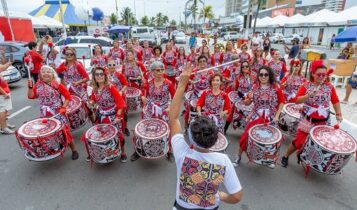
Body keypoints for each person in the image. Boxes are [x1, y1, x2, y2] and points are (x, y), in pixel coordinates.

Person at [169, 64, 243, 210]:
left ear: (190, 136)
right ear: (216, 140)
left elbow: (173, 118)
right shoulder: (224, 160)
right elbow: (236, 196)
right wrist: (220, 196)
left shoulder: (181, 152)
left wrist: (182, 84)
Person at [281, 61, 342, 167]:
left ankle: (310, 159)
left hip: (323, 121)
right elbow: (296, 100)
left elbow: (335, 101)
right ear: (313, 73)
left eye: (324, 74)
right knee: (299, 141)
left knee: (319, 143)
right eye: (319, 74)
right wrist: (308, 96)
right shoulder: (306, 86)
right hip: (307, 120)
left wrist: (338, 113)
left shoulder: (329, 87)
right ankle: (285, 156)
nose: (322, 77)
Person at [234, 66, 285, 168]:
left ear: (269, 75)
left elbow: (281, 102)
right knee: (246, 137)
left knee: (271, 141)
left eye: (266, 74)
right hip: (256, 116)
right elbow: (247, 103)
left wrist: (277, 115)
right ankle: (238, 156)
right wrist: (249, 99)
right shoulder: (254, 87)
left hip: (271, 117)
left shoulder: (276, 88)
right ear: (258, 76)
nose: (263, 76)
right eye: (261, 74)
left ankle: (270, 160)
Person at [27, 65, 79, 160]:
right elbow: (31, 96)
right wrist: (30, 88)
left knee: (65, 132)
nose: (46, 73)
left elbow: (68, 96)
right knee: (48, 133)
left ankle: (74, 150)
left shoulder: (57, 84)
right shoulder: (37, 85)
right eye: (43, 71)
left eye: (48, 71)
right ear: (40, 74)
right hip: (45, 115)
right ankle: (54, 148)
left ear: (52, 74)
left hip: (58, 113)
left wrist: (63, 107)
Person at [131, 61, 176, 162]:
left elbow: (175, 98)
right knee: (143, 129)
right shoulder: (148, 83)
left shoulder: (169, 84)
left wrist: (170, 107)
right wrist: (143, 97)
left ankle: (169, 151)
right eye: (158, 70)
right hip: (151, 108)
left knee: (166, 130)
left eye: (162, 70)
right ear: (152, 72)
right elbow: (143, 93)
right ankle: (138, 149)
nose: (160, 72)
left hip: (164, 109)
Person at [88, 67, 127, 162]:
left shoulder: (110, 87)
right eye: (97, 74)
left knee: (118, 135)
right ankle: (106, 153)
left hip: (113, 116)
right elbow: (93, 99)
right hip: (101, 116)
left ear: (105, 76)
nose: (99, 76)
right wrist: (91, 103)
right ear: (94, 77)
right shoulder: (95, 89)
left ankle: (123, 152)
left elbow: (121, 103)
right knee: (102, 136)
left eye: (101, 74)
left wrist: (118, 116)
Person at [224, 61, 256, 134]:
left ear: (249, 67)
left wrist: (250, 95)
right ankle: (225, 128)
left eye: (246, 66)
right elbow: (236, 88)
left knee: (251, 113)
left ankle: (249, 132)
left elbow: (256, 87)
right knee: (232, 112)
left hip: (250, 98)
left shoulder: (254, 76)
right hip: (240, 96)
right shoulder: (238, 77)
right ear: (241, 68)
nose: (245, 68)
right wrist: (242, 95)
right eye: (243, 67)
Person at [107, 59, 131, 136]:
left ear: (116, 66)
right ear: (107, 66)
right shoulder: (105, 76)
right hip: (109, 98)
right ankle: (113, 129)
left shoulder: (119, 75)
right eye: (110, 65)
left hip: (120, 96)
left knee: (124, 113)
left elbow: (125, 84)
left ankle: (125, 127)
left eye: (113, 65)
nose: (111, 67)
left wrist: (121, 91)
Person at [0, 64, 15, 134]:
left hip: (4, 94)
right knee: (3, 111)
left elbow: (4, 67)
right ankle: (4, 128)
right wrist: (4, 93)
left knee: (5, 111)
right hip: (2, 95)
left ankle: (5, 125)